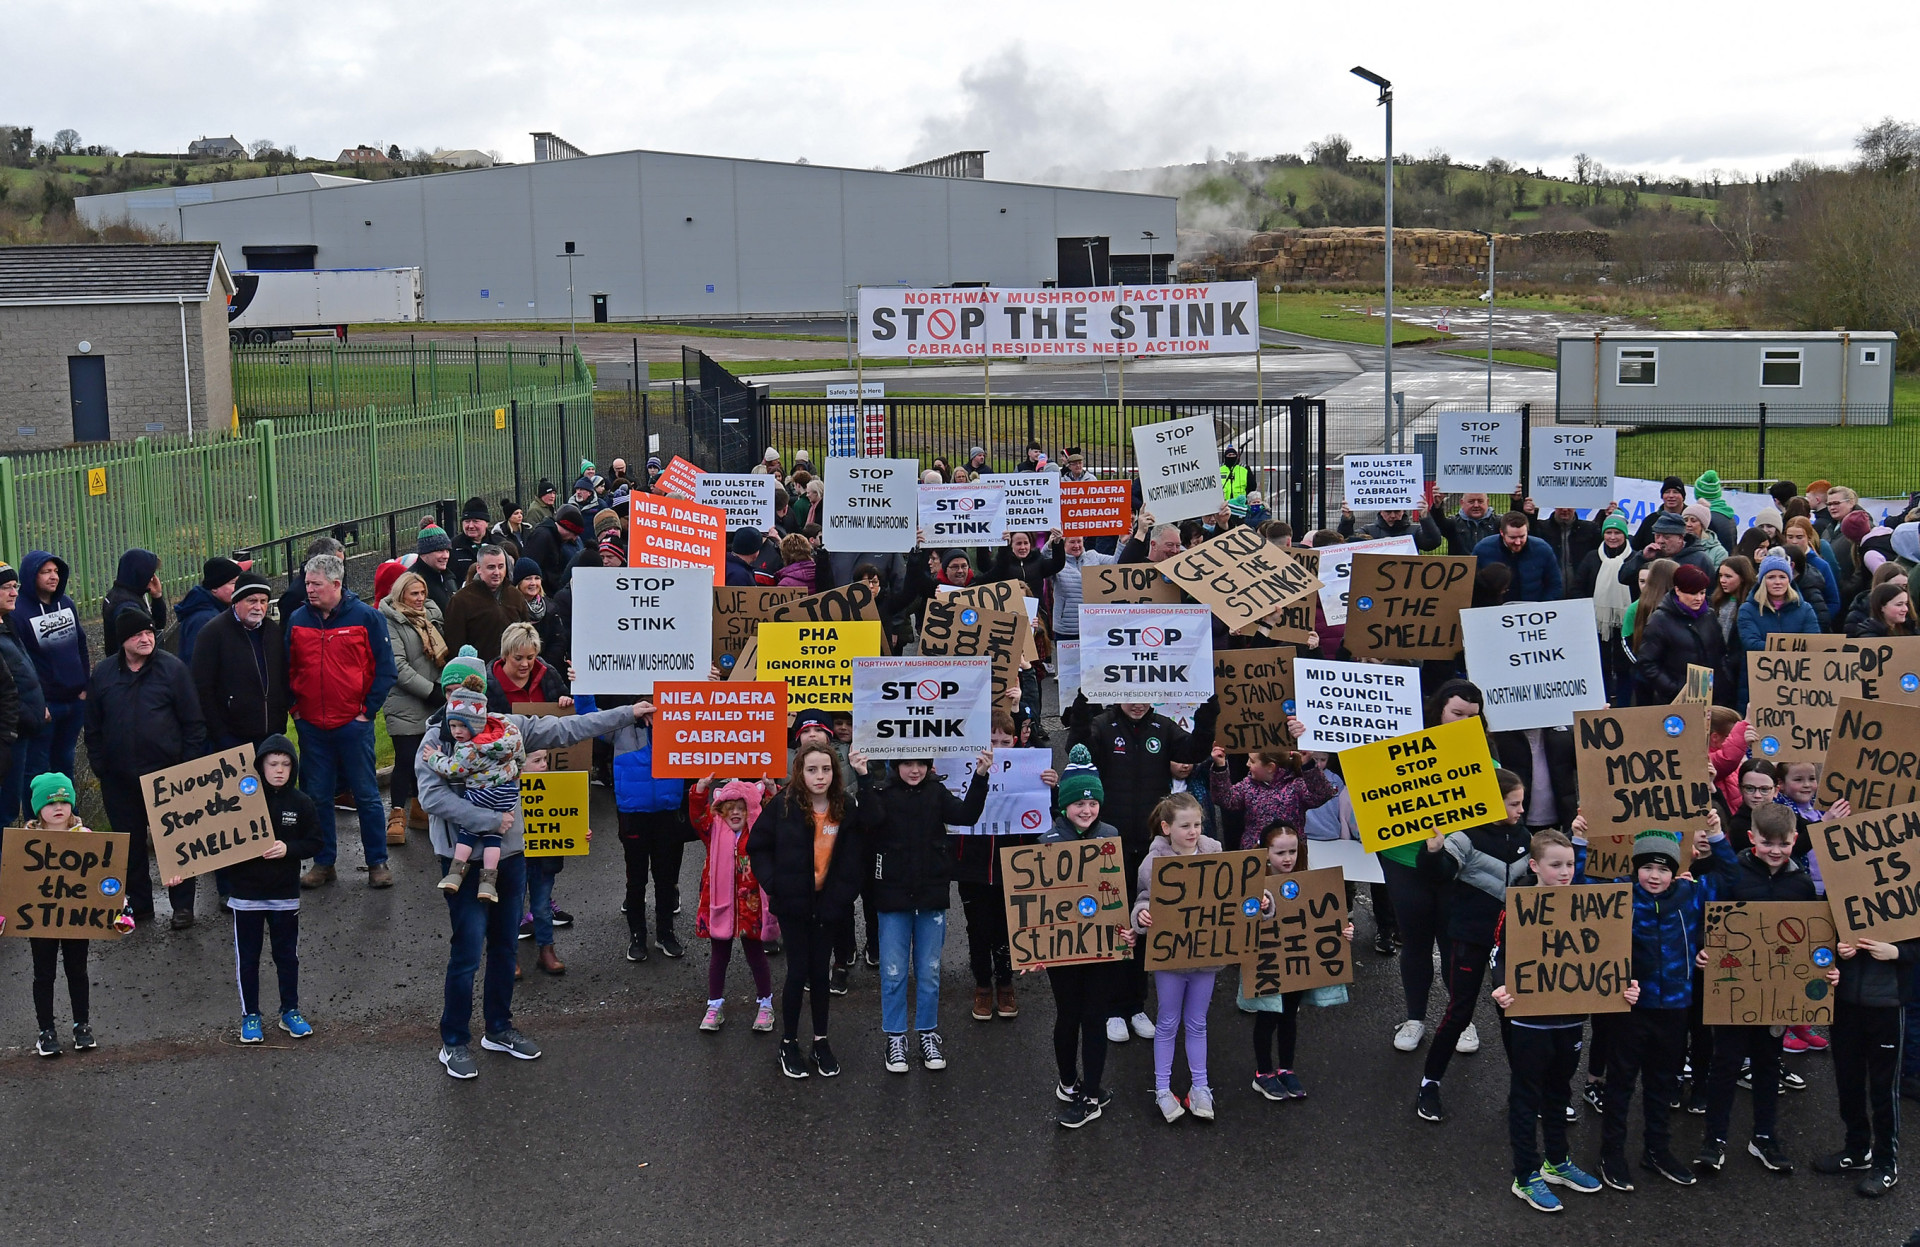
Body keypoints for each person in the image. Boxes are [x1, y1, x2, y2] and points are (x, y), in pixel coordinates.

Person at [422, 691, 643, 1080]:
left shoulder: (509, 727)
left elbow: (567, 728)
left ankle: (499, 1029)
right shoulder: (435, 740)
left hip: (510, 856)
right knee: (468, 951)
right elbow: (432, 796)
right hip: (462, 861)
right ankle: (454, 1041)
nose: (468, 713)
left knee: (506, 945)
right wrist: (488, 821)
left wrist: (628, 712)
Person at [1599, 820, 1734, 1192]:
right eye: (1646, 867)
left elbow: (1731, 874)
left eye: (1662, 868)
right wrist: (1580, 839)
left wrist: (1718, 835)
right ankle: (1611, 1153)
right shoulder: (1619, 894)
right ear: (1634, 867)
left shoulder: (1692, 895)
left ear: (1676, 870)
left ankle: (1656, 1150)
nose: (1654, 876)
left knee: (1662, 1082)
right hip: (1630, 1007)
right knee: (1621, 1083)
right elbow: (1579, 891)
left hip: (1676, 1007)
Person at [1066, 695, 1209, 1044]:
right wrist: (1083, 706)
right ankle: (1112, 1008)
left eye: (1144, 699)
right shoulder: (1102, 725)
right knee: (1114, 920)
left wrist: (1209, 710)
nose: (1138, 705)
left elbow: (1193, 751)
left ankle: (1136, 1004)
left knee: (1144, 921)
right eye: (1130, 699)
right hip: (1110, 843)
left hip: (1150, 846)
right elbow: (1077, 748)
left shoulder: (1162, 727)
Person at [1490, 829, 1620, 1213]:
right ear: (1535, 866)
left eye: (1570, 864)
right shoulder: (1519, 906)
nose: (1566, 872)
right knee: (1526, 1096)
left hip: (1570, 1020)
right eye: (1556, 865)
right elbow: (1499, 954)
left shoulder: (1588, 905)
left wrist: (1621, 987)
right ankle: (1525, 1174)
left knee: (1560, 1092)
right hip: (1530, 1022)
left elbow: (1608, 955)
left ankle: (1557, 1161)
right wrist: (1499, 988)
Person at [853, 747, 990, 1073]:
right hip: (892, 896)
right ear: (895, 764)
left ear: (929, 766)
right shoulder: (882, 793)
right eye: (907, 763)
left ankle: (928, 1032)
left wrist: (980, 776)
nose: (914, 770)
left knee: (928, 971)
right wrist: (861, 776)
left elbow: (966, 815)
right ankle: (895, 1036)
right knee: (894, 971)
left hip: (931, 896)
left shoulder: (936, 792)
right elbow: (870, 819)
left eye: (920, 764)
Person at [1695, 803, 1814, 1176]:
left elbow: (1811, 940)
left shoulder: (1802, 884)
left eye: (1783, 843)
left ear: (1795, 840)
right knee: (1725, 1064)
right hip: (1733, 991)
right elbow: (1706, 917)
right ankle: (1714, 1139)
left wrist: (1823, 971)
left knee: (1767, 1064)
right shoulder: (1733, 875)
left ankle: (1764, 1136)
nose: (1775, 850)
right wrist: (1702, 950)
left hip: (1777, 995)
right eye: (1767, 843)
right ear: (1752, 839)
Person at [748, 740, 870, 1081]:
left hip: (828, 906)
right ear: (799, 772)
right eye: (812, 769)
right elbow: (757, 846)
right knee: (797, 973)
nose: (820, 776)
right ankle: (788, 1042)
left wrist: (844, 895)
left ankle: (820, 1040)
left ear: (836, 771)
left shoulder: (845, 806)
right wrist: (775, 883)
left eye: (827, 769)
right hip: (793, 906)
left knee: (821, 974)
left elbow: (856, 856)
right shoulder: (783, 806)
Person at [1414, 769, 1530, 1124]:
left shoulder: (1524, 836)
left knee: (1513, 1016)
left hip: (1510, 944)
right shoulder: (1464, 837)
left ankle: (1525, 1091)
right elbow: (1438, 872)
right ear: (1493, 803)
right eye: (1514, 804)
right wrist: (1433, 852)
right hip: (1468, 938)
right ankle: (1429, 1084)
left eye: (1522, 803)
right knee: (1459, 1013)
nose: (1521, 810)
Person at [1383, 680, 1488, 1053]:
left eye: (1471, 717)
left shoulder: (1484, 758)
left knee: (1454, 946)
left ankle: (1462, 1019)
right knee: (1415, 943)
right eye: (1456, 714)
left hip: (1455, 868)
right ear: (1437, 711)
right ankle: (1414, 1018)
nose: (1462, 722)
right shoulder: (1400, 746)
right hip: (1403, 860)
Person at [84, 605, 204, 925]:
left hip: (169, 777)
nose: (146, 638)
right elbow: (93, 727)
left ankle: (182, 906)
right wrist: (101, 767)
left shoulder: (173, 669)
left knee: (178, 843)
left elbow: (193, 723)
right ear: (123, 640)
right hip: (119, 779)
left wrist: (187, 768)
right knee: (130, 846)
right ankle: (140, 905)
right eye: (138, 634)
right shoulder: (105, 674)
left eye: (149, 632)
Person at [286, 553, 397, 891]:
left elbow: (385, 668)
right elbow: (287, 667)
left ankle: (377, 862)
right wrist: (296, 710)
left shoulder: (367, 617)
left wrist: (367, 712)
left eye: (315, 584)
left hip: (353, 725)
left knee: (366, 795)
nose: (309, 590)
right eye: (307, 583)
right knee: (317, 796)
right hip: (312, 728)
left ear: (336, 584)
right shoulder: (296, 619)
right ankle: (324, 862)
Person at [1044, 745, 1134, 1128]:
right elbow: (1036, 900)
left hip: (1101, 945)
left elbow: (1120, 889)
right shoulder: (1048, 841)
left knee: (1095, 1016)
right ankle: (1068, 1080)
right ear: (1064, 805)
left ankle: (1093, 1092)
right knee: (1068, 1015)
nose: (1086, 809)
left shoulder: (1111, 835)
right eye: (1079, 803)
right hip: (1063, 948)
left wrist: (1127, 928)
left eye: (1092, 802)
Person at [217, 736, 322, 1045]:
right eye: (273, 764)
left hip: (284, 894)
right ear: (260, 766)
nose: (279, 771)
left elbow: (316, 842)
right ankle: (250, 1015)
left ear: (294, 767)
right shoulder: (240, 801)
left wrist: (288, 848)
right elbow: (215, 841)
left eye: (286, 764)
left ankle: (290, 1010)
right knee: (247, 958)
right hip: (246, 894)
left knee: (286, 955)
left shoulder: (301, 802)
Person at [1131, 792, 1227, 1122]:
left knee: (1198, 1023)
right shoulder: (1151, 863)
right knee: (1168, 1022)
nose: (1193, 831)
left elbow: (1240, 891)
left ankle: (1200, 1087)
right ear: (1166, 827)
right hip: (1170, 960)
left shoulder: (1216, 853)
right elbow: (1143, 901)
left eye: (1198, 824)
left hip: (1205, 957)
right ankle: (1162, 1088)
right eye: (1185, 825)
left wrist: (1265, 901)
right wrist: (1141, 917)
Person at [1242, 821, 1354, 1102]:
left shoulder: (1309, 882)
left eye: (1292, 851)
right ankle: (1263, 1073)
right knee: (1267, 1018)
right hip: (1268, 965)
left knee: (1289, 1017)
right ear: (1265, 853)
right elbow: (1241, 921)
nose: (1287, 858)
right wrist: (1259, 908)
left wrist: (1343, 931)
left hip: (1295, 964)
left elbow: (1324, 918)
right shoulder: (1252, 884)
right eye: (1280, 853)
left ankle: (1286, 1069)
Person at [22, 773, 128, 1057]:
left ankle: (82, 1024)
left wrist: (120, 906)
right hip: (41, 920)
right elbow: (14, 884)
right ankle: (46, 1030)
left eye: (64, 801)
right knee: (43, 974)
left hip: (77, 918)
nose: (58, 807)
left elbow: (105, 879)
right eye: (50, 802)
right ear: (37, 809)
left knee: (77, 971)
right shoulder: (26, 842)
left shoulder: (87, 839)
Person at [1813, 923, 1920, 1197]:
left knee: (1884, 1089)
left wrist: (1896, 952)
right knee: (1848, 1081)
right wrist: (1837, 950)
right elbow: (1819, 933)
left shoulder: (1907, 887)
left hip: (1887, 1004)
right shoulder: (1841, 888)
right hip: (1845, 1001)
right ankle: (1857, 1149)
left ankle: (1887, 1163)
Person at [690, 777, 777, 1033]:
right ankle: (714, 1005)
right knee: (719, 957)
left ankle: (765, 1003)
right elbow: (696, 815)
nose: (736, 812)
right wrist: (700, 789)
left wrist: (771, 789)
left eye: (742, 807)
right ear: (720, 810)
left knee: (756, 956)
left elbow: (778, 813)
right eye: (729, 807)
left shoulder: (760, 830)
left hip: (752, 908)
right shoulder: (712, 829)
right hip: (720, 906)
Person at [379, 569, 445, 846]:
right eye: (413, 593)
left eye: (422, 593)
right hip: (404, 700)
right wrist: (431, 691)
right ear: (401, 594)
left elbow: (442, 655)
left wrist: (442, 685)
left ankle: (419, 808)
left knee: (427, 757)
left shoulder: (432, 616)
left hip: (431, 695)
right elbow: (398, 666)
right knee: (405, 759)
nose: (419, 599)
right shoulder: (391, 620)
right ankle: (396, 815)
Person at [12, 551, 89, 785]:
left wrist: (86, 685)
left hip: (75, 701)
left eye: (56, 571)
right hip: (45, 707)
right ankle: (37, 820)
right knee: (36, 770)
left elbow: (81, 644)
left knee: (65, 763)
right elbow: (19, 663)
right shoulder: (18, 613)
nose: (53, 576)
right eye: (45, 572)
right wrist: (36, 703)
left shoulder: (66, 604)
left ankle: (68, 816)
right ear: (31, 575)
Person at [192, 572, 287, 755]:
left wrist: (280, 717)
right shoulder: (212, 633)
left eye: (264, 601)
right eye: (252, 601)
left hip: (271, 733)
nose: (258, 607)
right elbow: (202, 688)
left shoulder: (273, 632)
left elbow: (282, 677)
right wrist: (220, 733)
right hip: (232, 737)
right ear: (236, 601)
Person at [1207, 736, 1334, 850]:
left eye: (1252, 761)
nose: (1247, 764)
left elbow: (1323, 794)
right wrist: (1220, 766)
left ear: (1270, 767)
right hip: (1255, 854)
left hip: (1289, 856)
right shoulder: (1248, 785)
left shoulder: (1296, 785)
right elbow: (1223, 799)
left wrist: (1308, 764)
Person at [1633, 563, 1730, 706]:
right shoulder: (1659, 620)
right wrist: (1675, 689)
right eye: (1692, 593)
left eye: (1702, 593)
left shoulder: (1709, 615)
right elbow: (1647, 662)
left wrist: (1723, 683)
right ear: (1677, 590)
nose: (1699, 598)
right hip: (1676, 701)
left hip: (1713, 697)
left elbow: (1720, 653)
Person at [0, 565, 45, 822]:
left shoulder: (8, 625)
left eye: (15, 586)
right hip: (9, 737)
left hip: (24, 730)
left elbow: (24, 675)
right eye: (6, 587)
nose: (14, 593)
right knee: (4, 810)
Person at [443, 545, 528, 663]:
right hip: (478, 673)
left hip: (512, 670)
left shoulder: (515, 595)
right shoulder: (461, 601)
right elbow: (454, 645)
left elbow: (525, 633)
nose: (497, 572)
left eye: (501, 566)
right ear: (478, 568)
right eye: (491, 567)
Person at [1737, 554, 1822, 656]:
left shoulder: (1805, 609)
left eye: (1782, 577)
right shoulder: (1747, 610)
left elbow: (1813, 644)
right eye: (1771, 577)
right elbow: (1751, 644)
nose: (1777, 582)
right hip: (1759, 669)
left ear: (1789, 581)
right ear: (1763, 581)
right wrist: (1793, 648)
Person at [1472, 512, 1564, 603]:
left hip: (1533, 610)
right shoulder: (1483, 549)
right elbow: (1472, 585)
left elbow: (1555, 584)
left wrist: (1543, 607)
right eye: (1513, 537)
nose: (1518, 542)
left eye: (1522, 536)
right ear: (1502, 533)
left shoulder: (1543, 549)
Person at [172, 557, 241, 665]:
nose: (238, 588)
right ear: (214, 587)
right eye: (233, 583)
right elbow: (198, 662)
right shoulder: (203, 619)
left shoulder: (215, 610)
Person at [102, 547, 167, 635]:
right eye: (150, 574)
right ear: (140, 573)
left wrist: (157, 596)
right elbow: (153, 632)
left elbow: (156, 627)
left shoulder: (117, 594)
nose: (152, 578)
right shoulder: (128, 607)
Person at [511, 559, 568, 658]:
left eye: (537, 578)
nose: (533, 583)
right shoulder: (510, 607)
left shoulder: (550, 608)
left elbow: (558, 641)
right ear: (518, 583)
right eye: (528, 578)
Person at [412, 526, 458, 614]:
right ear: (424, 553)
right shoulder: (412, 580)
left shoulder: (448, 577)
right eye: (440, 550)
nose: (446, 556)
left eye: (447, 551)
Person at [450, 497, 493, 586]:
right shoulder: (453, 546)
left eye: (475, 521)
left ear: (486, 523)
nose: (470, 526)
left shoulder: (497, 544)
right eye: (467, 521)